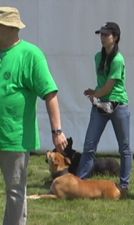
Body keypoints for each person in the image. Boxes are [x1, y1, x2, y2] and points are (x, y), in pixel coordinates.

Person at [0, 6, 68, 225]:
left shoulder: (31, 55)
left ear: (7, 28)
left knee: (14, 191)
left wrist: (57, 131)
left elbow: (50, 94)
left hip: (14, 139)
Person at [77, 22, 132, 198]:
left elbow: (108, 87)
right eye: (101, 34)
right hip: (101, 105)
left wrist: (94, 93)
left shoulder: (118, 59)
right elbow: (102, 85)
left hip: (118, 105)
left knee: (124, 148)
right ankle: (81, 182)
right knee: (89, 145)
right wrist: (96, 96)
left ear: (115, 38)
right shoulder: (97, 57)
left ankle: (124, 184)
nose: (102, 37)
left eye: (106, 35)